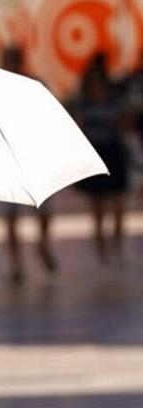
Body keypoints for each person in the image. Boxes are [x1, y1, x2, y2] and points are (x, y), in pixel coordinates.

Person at [0, 46, 57, 283]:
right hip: (9, 160)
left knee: (43, 212)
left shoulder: (34, 85)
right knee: (10, 217)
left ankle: (42, 245)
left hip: (34, 158)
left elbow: (50, 117)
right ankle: (16, 264)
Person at [73, 56, 131, 264]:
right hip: (96, 153)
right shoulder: (84, 103)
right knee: (97, 209)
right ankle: (103, 254)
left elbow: (126, 124)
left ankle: (116, 248)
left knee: (117, 205)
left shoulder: (114, 100)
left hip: (113, 153)